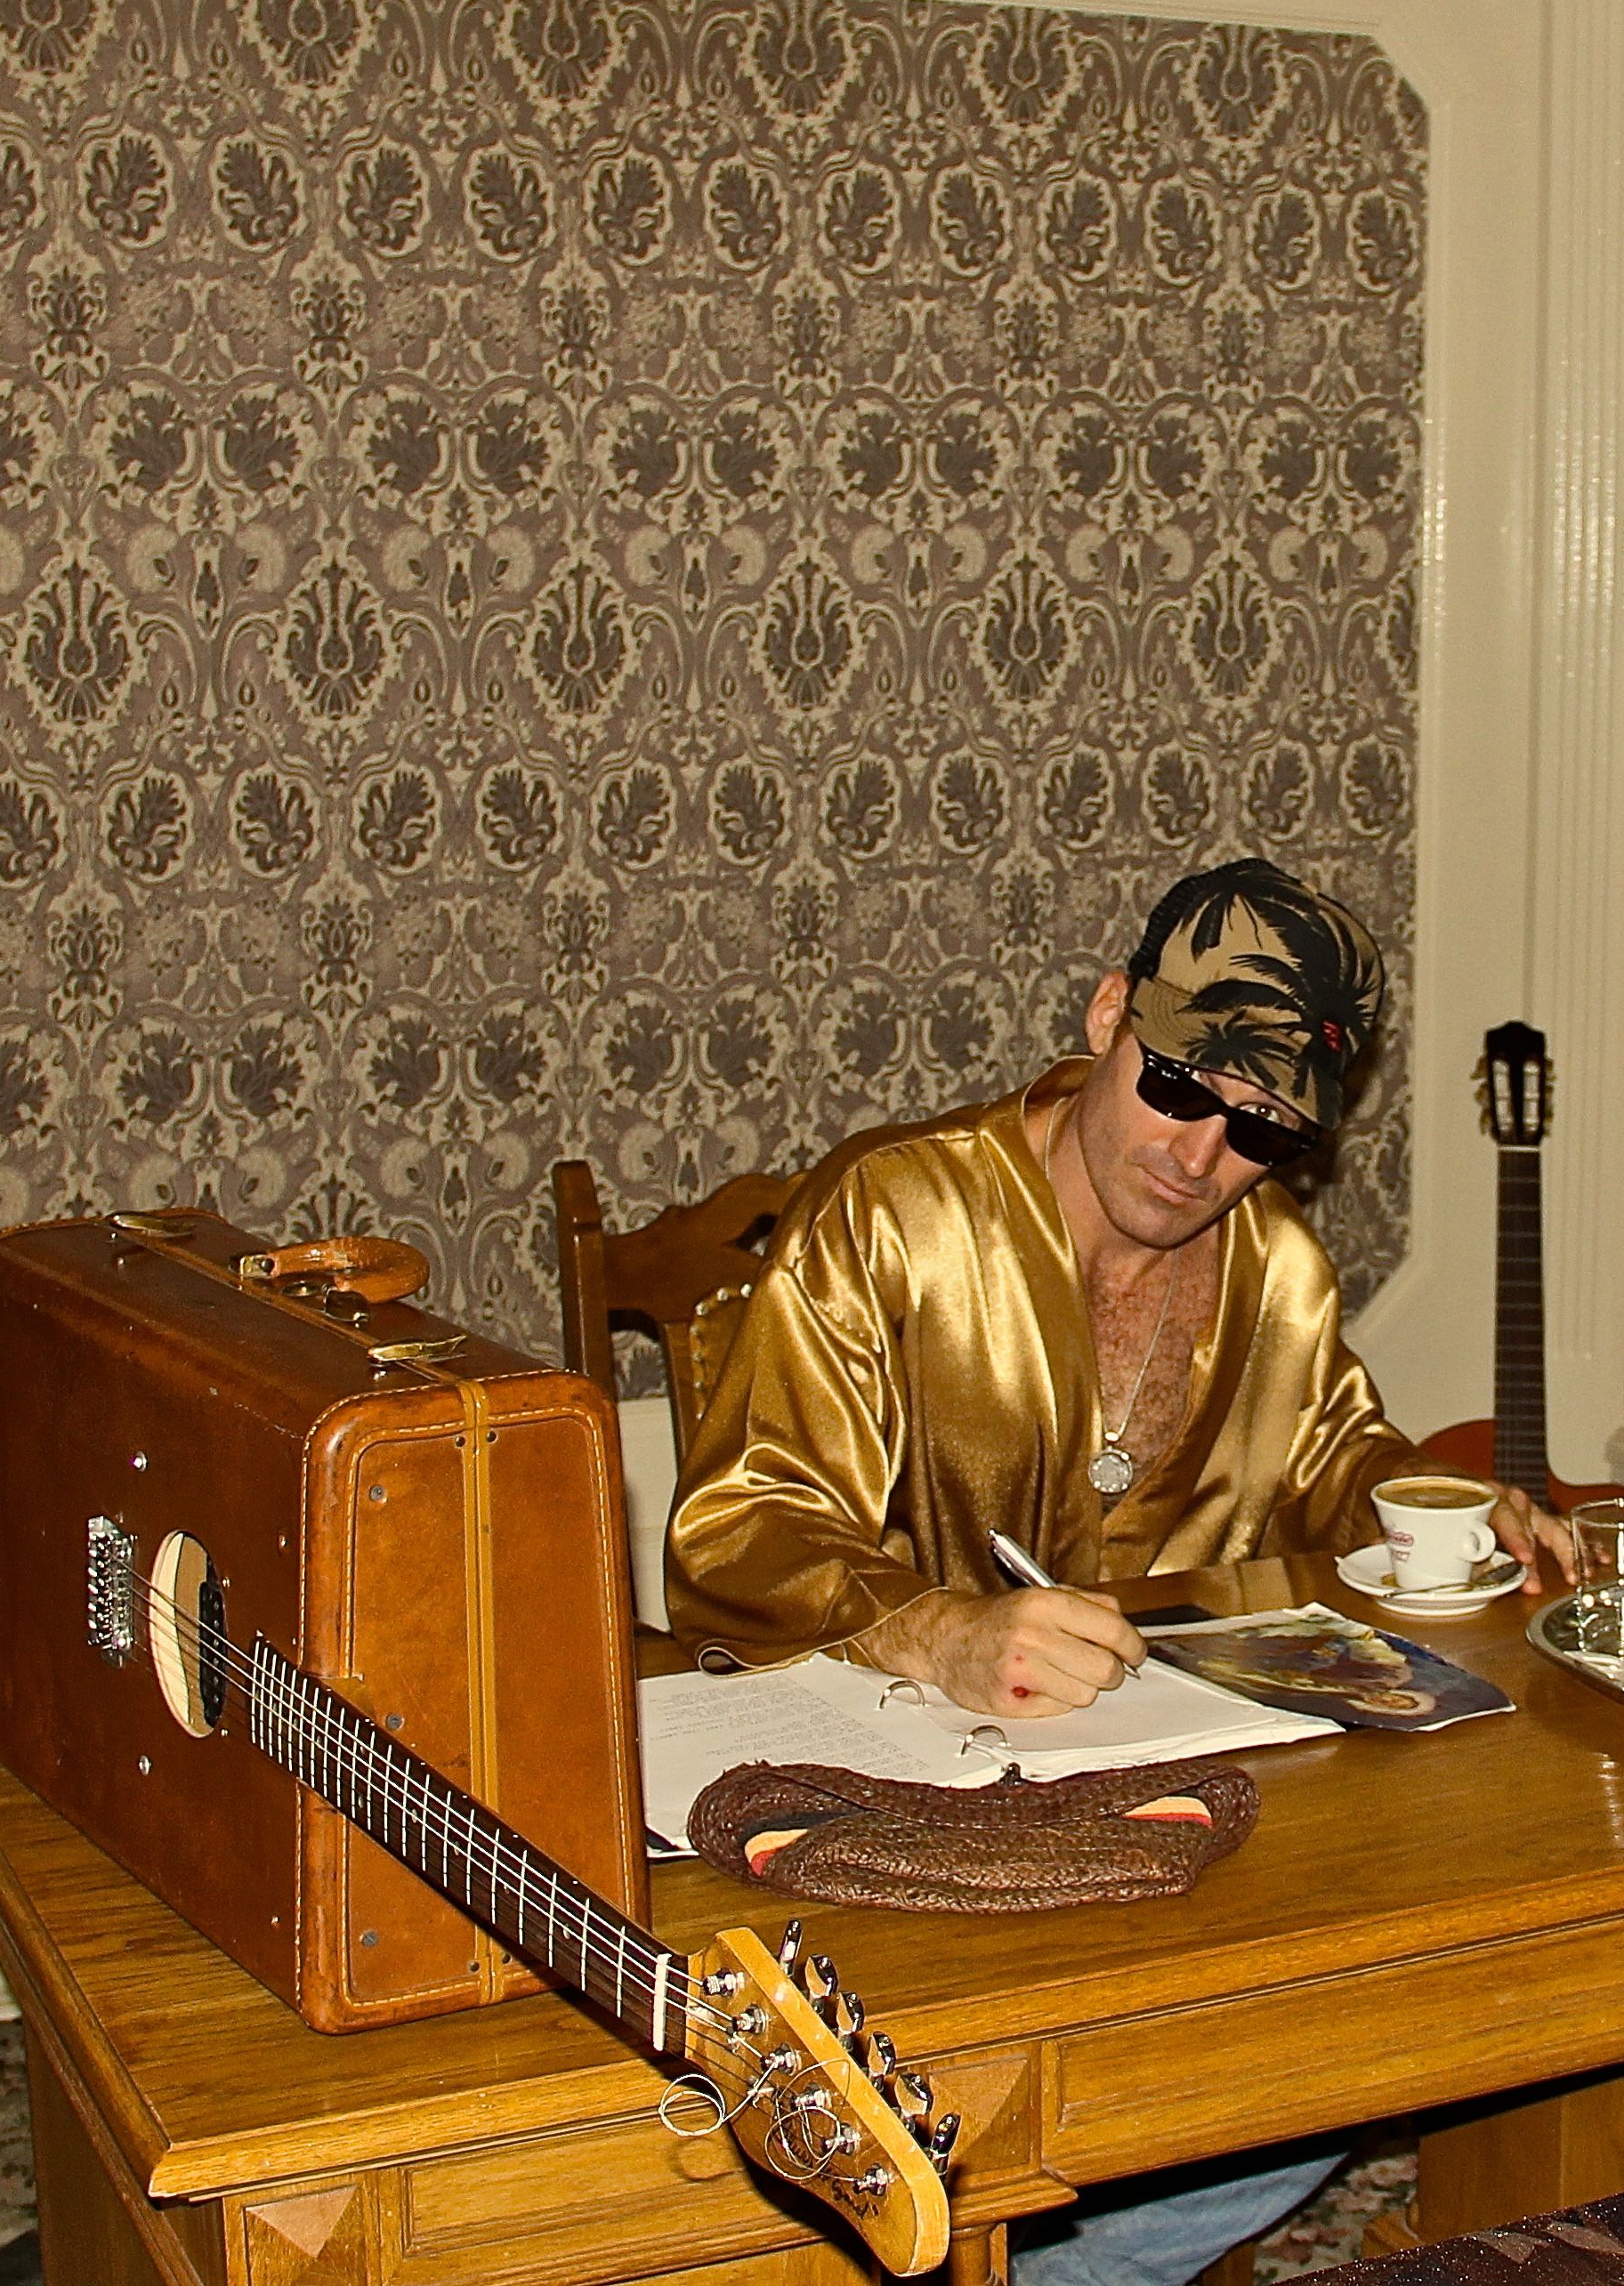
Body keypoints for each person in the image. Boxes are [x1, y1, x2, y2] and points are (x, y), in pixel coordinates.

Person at [666, 856, 1575, 2286]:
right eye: (1179, 1086)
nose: (1200, 1155)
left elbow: (1338, 1458)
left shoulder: (1277, 1268)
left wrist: (1454, 1507)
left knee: (1402, 1996)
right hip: (903, 1819)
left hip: (1183, 1820)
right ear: (1108, 1015)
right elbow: (742, 1522)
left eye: (1259, 1127)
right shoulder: (896, 1212)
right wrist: (937, 1629)